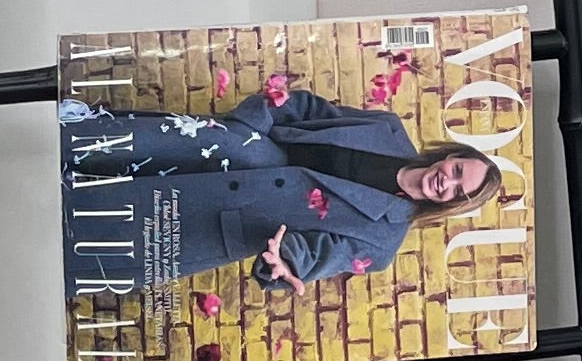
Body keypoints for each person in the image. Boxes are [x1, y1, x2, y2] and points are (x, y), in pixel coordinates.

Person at [58, 68, 505, 298]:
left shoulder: (383, 242)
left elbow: (316, 255)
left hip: (227, 219)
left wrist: (285, 263)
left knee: (100, 228)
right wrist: (254, 123)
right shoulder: (386, 130)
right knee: (126, 148)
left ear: (450, 205)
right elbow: (311, 110)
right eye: (457, 171)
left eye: (458, 193)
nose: (447, 183)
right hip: (226, 151)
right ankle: (55, 145)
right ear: (451, 155)